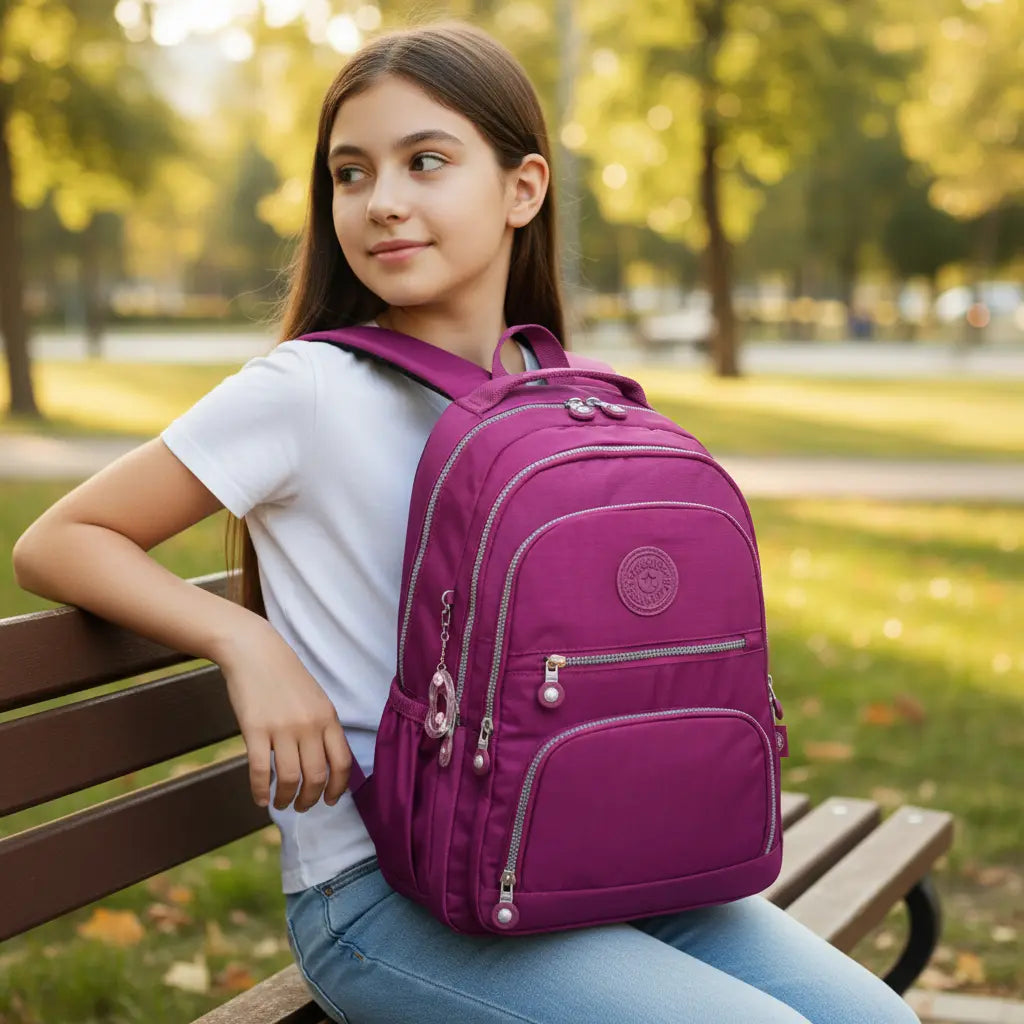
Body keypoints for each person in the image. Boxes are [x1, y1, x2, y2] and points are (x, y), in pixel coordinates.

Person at [12, 20, 920, 1024]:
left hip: (599, 852)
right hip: (389, 893)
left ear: (522, 189)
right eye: (350, 173)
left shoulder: (562, 391)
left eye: (426, 161)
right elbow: (58, 542)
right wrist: (246, 639)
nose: (382, 200)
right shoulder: (307, 389)